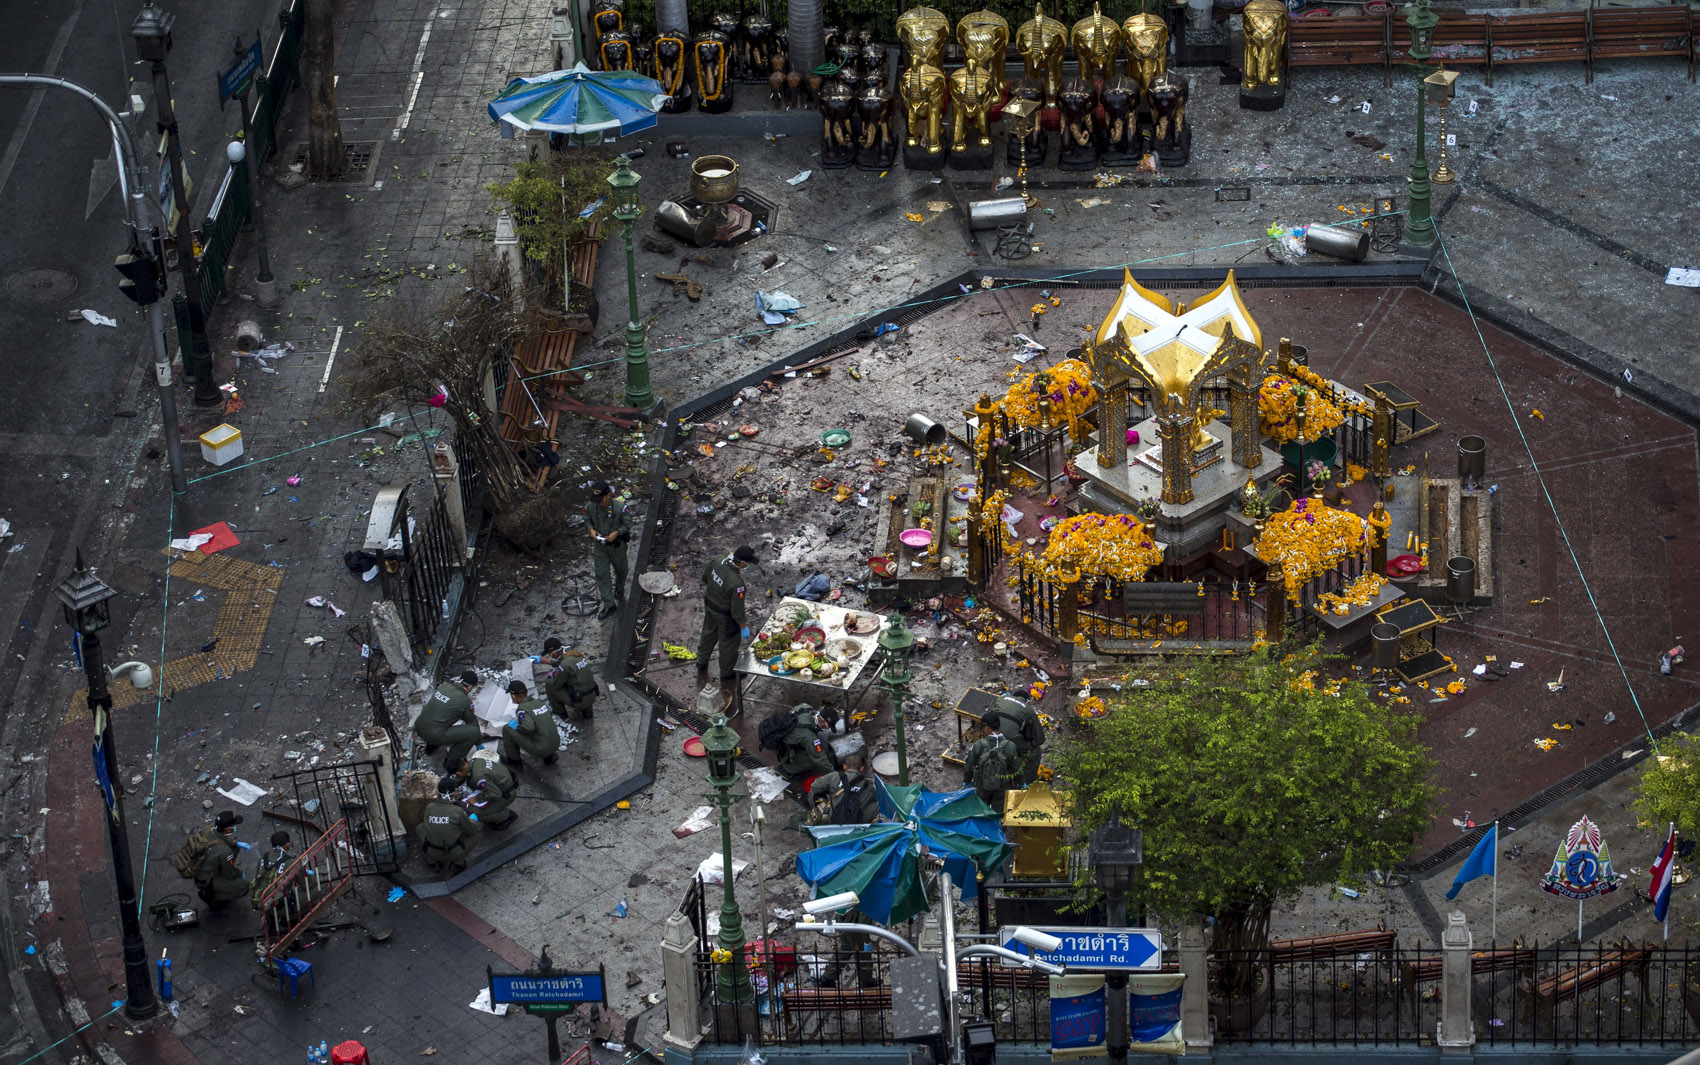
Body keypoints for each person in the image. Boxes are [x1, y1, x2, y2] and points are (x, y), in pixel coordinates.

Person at [697, 545, 757, 707]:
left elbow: (705, 577)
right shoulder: (737, 584)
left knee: (708, 633)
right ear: (743, 563)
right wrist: (743, 626)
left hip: (710, 604)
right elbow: (737, 611)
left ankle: (701, 661)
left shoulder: (717, 561)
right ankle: (727, 673)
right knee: (728, 644)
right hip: (725, 616)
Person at [585, 481, 632, 619]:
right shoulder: (591, 506)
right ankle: (609, 604)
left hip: (616, 546)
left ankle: (619, 585)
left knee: (621, 569)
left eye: (601, 499)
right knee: (602, 575)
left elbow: (628, 523)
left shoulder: (619, 507)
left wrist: (617, 532)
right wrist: (591, 530)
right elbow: (587, 519)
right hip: (600, 546)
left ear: (608, 495)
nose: (599, 503)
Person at [416, 670, 483, 764]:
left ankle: (430, 747)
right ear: (470, 687)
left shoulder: (444, 687)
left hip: (419, 726)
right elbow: (472, 722)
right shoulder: (465, 701)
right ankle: (452, 763)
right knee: (474, 733)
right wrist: (478, 741)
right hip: (433, 734)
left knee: (439, 720)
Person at [962, 711, 1021, 811]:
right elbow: (1017, 767)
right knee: (998, 813)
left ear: (987, 728)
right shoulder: (1011, 746)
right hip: (1002, 787)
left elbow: (969, 765)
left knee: (981, 810)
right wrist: (1021, 782)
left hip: (982, 786)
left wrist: (966, 780)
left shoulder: (978, 745)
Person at [420, 777, 480, 873]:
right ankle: (459, 862)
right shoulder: (458, 811)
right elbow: (470, 831)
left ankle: (431, 861)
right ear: (455, 793)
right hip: (453, 853)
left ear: (437, 793)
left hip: (432, 850)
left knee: (420, 827)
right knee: (476, 832)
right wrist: (472, 820)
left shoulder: (429, 807)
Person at [448, 751, 519, 830]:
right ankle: (492, 813)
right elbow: (463, 777)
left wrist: (476, 799)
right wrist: (449, 787)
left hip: (505, 794)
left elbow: (495, 794)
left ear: (458, 773)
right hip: (500, 786)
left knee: (473, 812)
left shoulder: (478, 777)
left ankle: (507, 816)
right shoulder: (474, 761)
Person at [807, 750, 879, 826]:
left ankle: (821, 817)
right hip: (856, 821)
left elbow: (815, 786)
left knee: (813, 792)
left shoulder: (835, 776)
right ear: (861, 768)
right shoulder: (868, 785)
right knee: (875, 805)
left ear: (844, 766)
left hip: (833, 819)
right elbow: (873, 800)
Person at [194, 810, 250, 907]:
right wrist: (240, 874)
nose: (235, 827)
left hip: (202, 865)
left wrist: (236, 843)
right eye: (233, 826)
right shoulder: (224, 851)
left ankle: (221, 868)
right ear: (228, 830)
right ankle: (212, 897)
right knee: (243, 885)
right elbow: (230, 873)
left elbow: (221, 837)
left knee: (234, 848)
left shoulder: (210, 828)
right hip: (206, 879)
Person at [500, 680, 560, 770]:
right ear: (527, 691)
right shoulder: (538, 702)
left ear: (513, 696)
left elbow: (528, 727)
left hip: (542, 748)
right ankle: (549, 757)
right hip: (556, 743)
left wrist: (517, 727)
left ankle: (515, 762)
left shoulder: (522, 709)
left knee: (507, 729)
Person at [776, 703, 840, 786]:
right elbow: (819, 758)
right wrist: (835, 774)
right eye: (827, 726)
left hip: (782, 737)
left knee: (813, 748)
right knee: (813, 759)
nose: (828, 729)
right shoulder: (810, 738)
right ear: (822, 720)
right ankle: (790, 769)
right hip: (784, 751)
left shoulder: (806, 707)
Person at [991, 693, 1047, 784]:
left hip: (993, 732)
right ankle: (1026, 783)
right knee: (1034, 754)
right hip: (1010, 737)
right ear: (1027, 702)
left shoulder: (1002, 698)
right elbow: (1040, 739)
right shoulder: (1028, 709)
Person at [250, 830, 298, 934]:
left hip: (261, 901)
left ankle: (270, 916)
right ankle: (288, 918)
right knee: (312, 893)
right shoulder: (290, 861)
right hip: (279, 904)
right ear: (287, 844)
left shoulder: (264, 858)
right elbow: (304, 883)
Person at [541, 637, 600, 722]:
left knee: (550, 684)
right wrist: (542, 660)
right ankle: (587, 711)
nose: (550, 656)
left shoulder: (564, 665)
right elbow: (560, 663)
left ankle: (560, 713)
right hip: (592, 695)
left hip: (581, 701)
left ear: (553, 653)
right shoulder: (575, 655)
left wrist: (553, 675)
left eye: (549, 654)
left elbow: (556, 685)